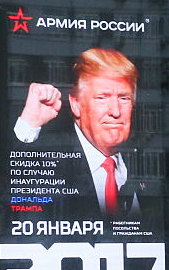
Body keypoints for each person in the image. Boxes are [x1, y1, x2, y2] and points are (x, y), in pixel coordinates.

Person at [14, 48, 143, 221]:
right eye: (102, 97)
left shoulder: (142, 164)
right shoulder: (51, 158)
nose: (115, 111)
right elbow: (7, 189)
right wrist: (29, 124)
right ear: (76, 104)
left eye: (124, 98)